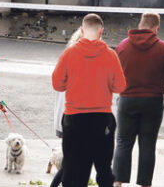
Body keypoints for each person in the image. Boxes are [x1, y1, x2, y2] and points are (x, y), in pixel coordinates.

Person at [52, 13, 126, 187]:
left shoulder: (69, 54)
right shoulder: (110, 55)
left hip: (74, 118)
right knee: (103, 168)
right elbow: (120, 87)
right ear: (101, 31)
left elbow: (57, 84)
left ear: (82, 30)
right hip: (101, 119)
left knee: (73, 167)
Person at [112, 12, 164, 187]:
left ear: (140, 25)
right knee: (148, 144)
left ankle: (118, 181)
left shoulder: (122, 47)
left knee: (123, 142)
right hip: (153, 101)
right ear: (156, 27)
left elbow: (115, 74)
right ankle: (145, 183)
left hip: (127, 99)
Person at [51, 29, 83, 187]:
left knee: (72, 158)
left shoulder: (65, 58)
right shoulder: (81, 61)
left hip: (65, 116)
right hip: (75, 115)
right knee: (74, 159)